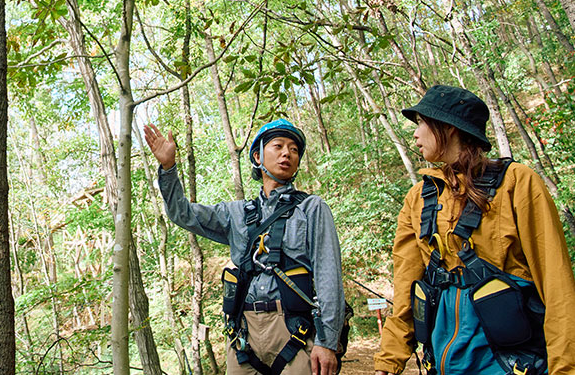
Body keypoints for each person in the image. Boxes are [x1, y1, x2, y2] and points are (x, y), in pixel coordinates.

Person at [374, 85, 575, 375]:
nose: (415, 134)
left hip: (509, 364)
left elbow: (557, 285)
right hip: (443, 364)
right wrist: (388, 362)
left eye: (421, 123)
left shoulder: (517, 183)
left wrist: (565, 368)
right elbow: (406, 288)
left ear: (449, 128)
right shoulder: (418, 199)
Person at [145, 119, 345, 375]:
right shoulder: (236, 214)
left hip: (294, 329)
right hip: (244, 335)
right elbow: (182, 214)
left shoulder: (312, 209)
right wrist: (168, 167)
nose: (287, 153)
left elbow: (329, 276)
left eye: (294, 149)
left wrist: (327, 343)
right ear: (257, 156)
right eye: (278, 146)